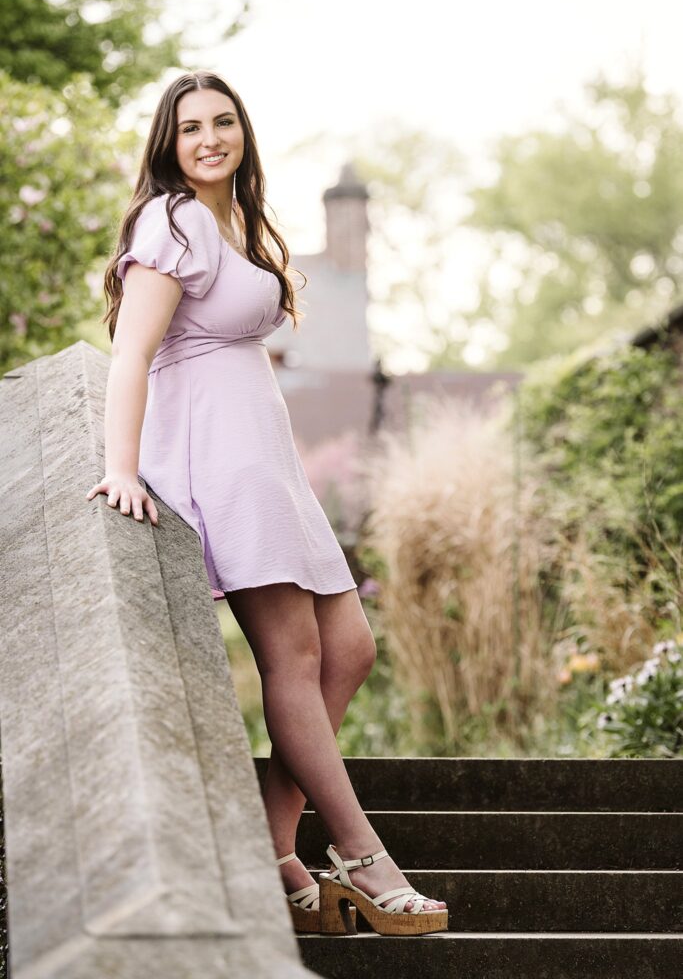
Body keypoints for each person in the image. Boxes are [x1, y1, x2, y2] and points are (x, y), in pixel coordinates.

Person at [85, 70, 447, 936]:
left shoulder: (237, 220)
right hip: (221, 459)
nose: (208, 138)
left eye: (222, 122)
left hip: (270, 460)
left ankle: (271, 846)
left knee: (349, 649)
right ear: (167, 145)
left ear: (242, 131)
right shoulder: (169, 219)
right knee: (291, 656)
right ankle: (360, 857)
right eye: (189, 128)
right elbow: (133, 351)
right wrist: (122, 468)